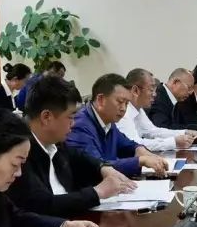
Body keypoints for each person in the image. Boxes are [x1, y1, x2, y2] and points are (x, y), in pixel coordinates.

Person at [7, 76, 135, 216]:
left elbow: (78, 155)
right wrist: (97, 193)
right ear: (46, 117)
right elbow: (41, 204)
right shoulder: (19, 153)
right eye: (71, 117)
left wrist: (103, 168)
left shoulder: (56, 144)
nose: (73, 124)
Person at [66, 73, 168, 177]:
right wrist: (140, 161)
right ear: (101, 100)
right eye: (120, 102)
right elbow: (97, 167)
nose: (123, 108)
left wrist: (140, 149)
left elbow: (126, 145)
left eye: (127, 103)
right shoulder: (79, 125)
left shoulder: (109, 121)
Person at [119, 68, 195, 152]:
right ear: (135, 91)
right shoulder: (122, 111)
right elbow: (135, 144)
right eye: (151, 90)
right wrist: (173, 142)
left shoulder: (138, 109)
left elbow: (153, 131)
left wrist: (184, 132)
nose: (155, 94)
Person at [148, 68, 197, 132]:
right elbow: (163, 128)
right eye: (189, 87)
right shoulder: (158, 97)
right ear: (176, 82)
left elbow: (183, 123)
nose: (191, 92)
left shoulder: (175, 98)